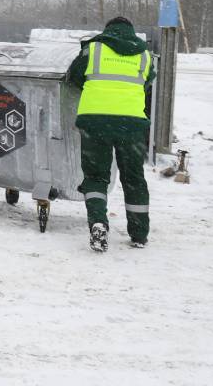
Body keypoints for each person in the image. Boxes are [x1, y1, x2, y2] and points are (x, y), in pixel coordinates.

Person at [66, 16, 155, 252]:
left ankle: (97, 223)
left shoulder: (93, 49)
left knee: (96, 176)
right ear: (131, 32)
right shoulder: (145, 54)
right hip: (132, 125)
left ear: (108, 31)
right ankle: (138, 234)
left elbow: (74, 77)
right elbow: (148, 82)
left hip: (95, 122)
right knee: (134, 178)